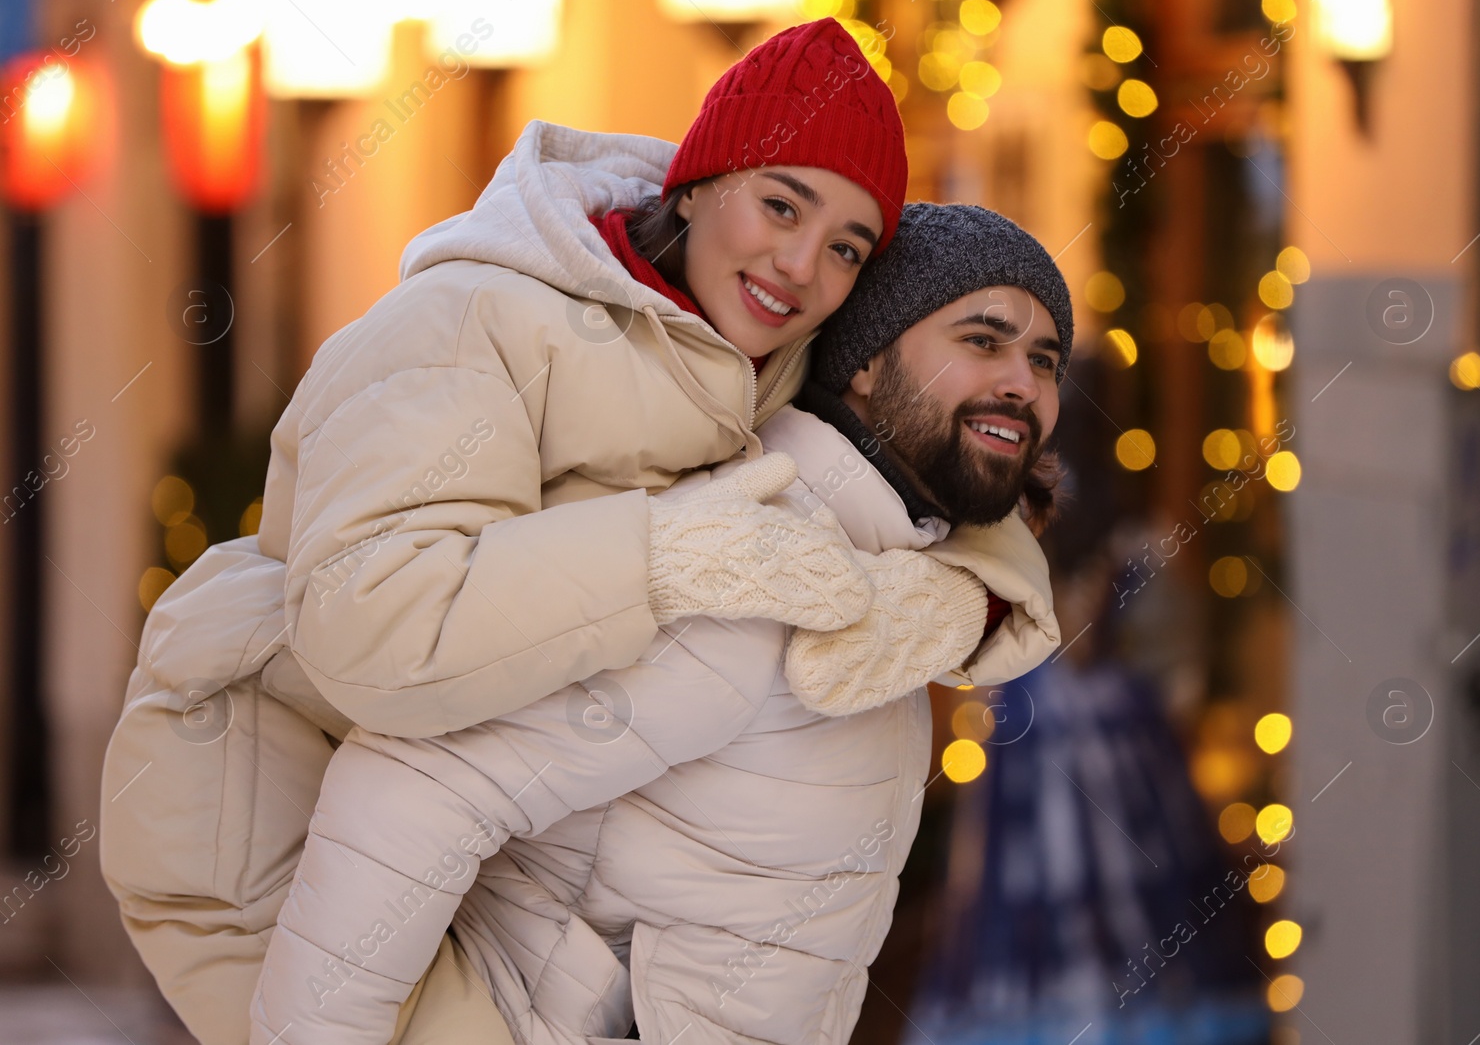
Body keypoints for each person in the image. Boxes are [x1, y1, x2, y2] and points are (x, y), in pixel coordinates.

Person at [97, 18, 998, 1045]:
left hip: (533, 918)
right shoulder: (467, 323)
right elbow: (372, 624)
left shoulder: (767, 356)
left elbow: (940, 438)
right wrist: (659, 556)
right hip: (279, 845)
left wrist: (966, 580)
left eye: (845, 246)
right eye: (780, 203)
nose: (800, 264)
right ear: (697, 183)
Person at [247, 203, 1075, 1045]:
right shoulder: (754, 561)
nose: (1023, 381)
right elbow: (413, 790)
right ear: (864, 361)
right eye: (983, 340)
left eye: (1045, 359)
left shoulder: (896, 567)